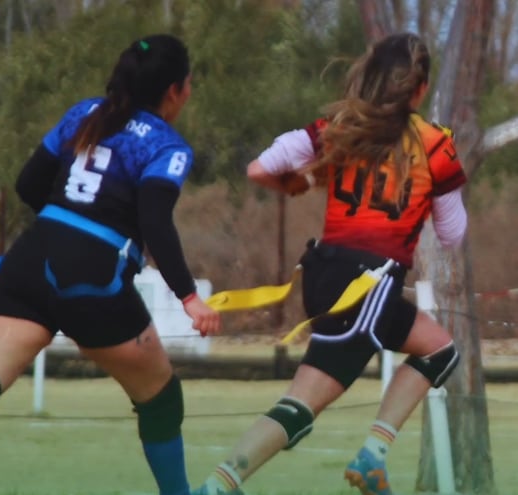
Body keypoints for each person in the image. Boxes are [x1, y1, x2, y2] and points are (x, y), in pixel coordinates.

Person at [0, 33, 220, 495]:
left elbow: (28, 184)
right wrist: (189, 297)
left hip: (32, 257)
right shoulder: (166, 144)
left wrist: (66, 230)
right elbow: (155, 220)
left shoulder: (84, 114)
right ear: (174, 91)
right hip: (93, 276)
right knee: (161, 400)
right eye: (189, 85)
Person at [192, 32, 467, 495]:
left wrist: (295, 186)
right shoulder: (435, 146)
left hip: (329, 273)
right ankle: (218, 486)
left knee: (439, 350)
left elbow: (259, 168)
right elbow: (453, 234)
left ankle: (373, 456)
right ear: (420, 89)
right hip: (368, 286)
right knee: (301, 406)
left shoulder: (338, 126)